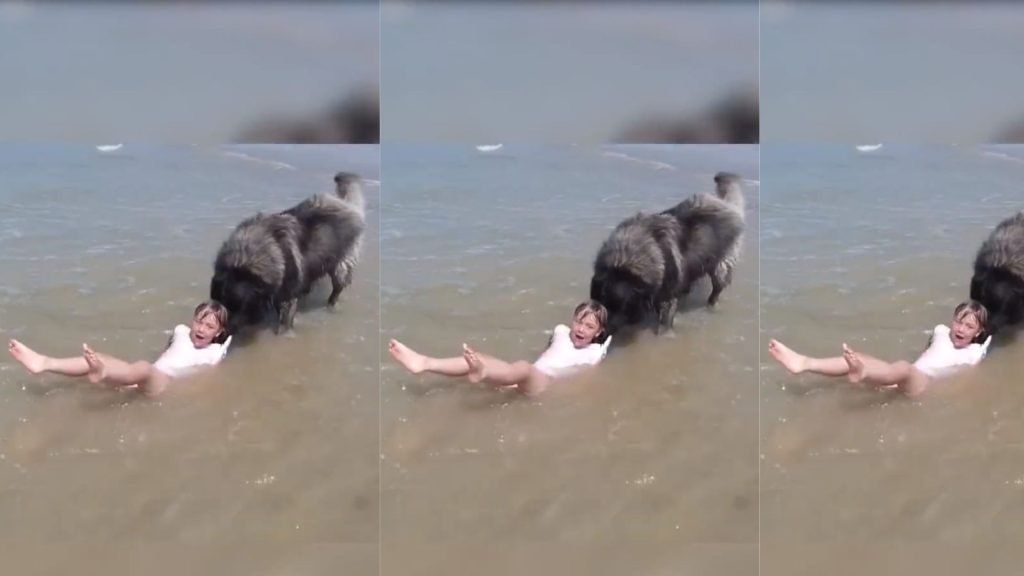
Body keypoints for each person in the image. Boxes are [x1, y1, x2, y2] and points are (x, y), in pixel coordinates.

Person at [7, 300, 232, 397]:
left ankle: (103, 373)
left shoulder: (214, 353)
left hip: (166, 386)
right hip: (144, 377)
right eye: (199, 322)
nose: (201, 328)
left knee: (144, 368)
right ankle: (44, 363)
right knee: (98, 357)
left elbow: (208, 382)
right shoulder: (181, 331)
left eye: (209, 326)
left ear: (219, 332)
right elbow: (165, 354)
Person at [767, 300, 991, 397]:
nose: (961, 328)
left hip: (925, 386)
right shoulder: (941, 331)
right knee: (858, 357)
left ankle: (863, 373)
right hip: (902, 377)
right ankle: (804, 363)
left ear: (978, 332)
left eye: (969, 326)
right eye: (958, 322)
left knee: (904, 367)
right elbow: (926, 353)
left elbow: (967, 381)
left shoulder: (973, 353)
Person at [389, 300, 612, 397]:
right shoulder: (561, 331)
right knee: (478, 357)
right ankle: (425, 363)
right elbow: (545, 355)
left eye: (589, 326)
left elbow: (587, 381)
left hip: (546, 385)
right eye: (578, 322)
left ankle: (484, 373)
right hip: (526, 377)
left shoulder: (594, 353)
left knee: (524, 368)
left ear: (598, 332)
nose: (581, 328)